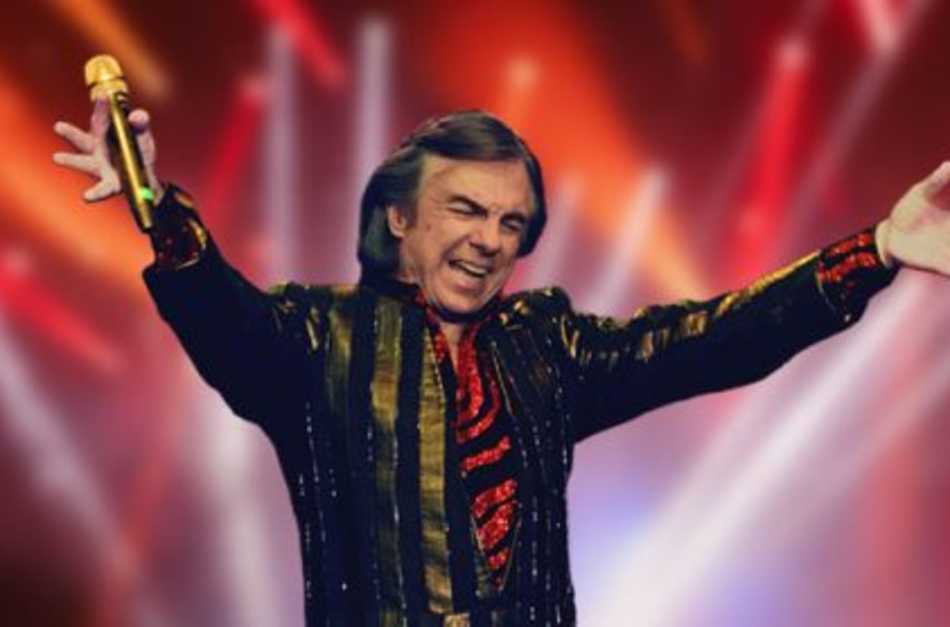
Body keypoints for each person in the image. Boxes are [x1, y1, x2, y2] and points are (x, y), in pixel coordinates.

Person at [52, 99, 950, 626]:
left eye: (511, 222)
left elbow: (707, 341)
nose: (490, 239)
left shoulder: (544, 343)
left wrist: (873, 249)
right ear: (400, 217)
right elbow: (223, 319)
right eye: (466, 209)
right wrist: (156, 208)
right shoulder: (315, 339)